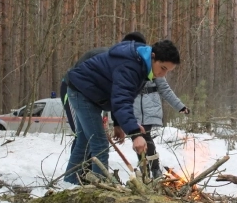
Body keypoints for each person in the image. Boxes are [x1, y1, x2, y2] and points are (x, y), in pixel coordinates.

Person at [63, 38, 180, 184]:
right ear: (153, 57)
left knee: (84, 141)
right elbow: (121, 100)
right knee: (99, 143)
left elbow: (121, 96)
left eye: (168, 71)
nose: (163, 75)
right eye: (163, 68)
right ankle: (100, 190)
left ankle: (69, 181)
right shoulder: (132, 65)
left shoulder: (141, 66)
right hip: (82, 92)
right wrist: (135, 133)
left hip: (86, 92)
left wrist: (120, 124)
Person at [60, 32, 146, 153]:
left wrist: (117, 124)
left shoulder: (126, 65)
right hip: (72, 88)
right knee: (84, 137)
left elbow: (117, 95)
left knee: (88, 139)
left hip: (90, 95)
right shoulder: (107, 56)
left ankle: (86, 169)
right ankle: (85, 169)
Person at [134, 78, 190, 179]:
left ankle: (155, 169)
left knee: (145, 135)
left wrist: (180, 106)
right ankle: (144, 171)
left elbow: (165, 89)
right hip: (133, 107)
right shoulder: (127, 64)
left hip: (150, 107)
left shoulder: (153, 65)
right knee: (136, 136)